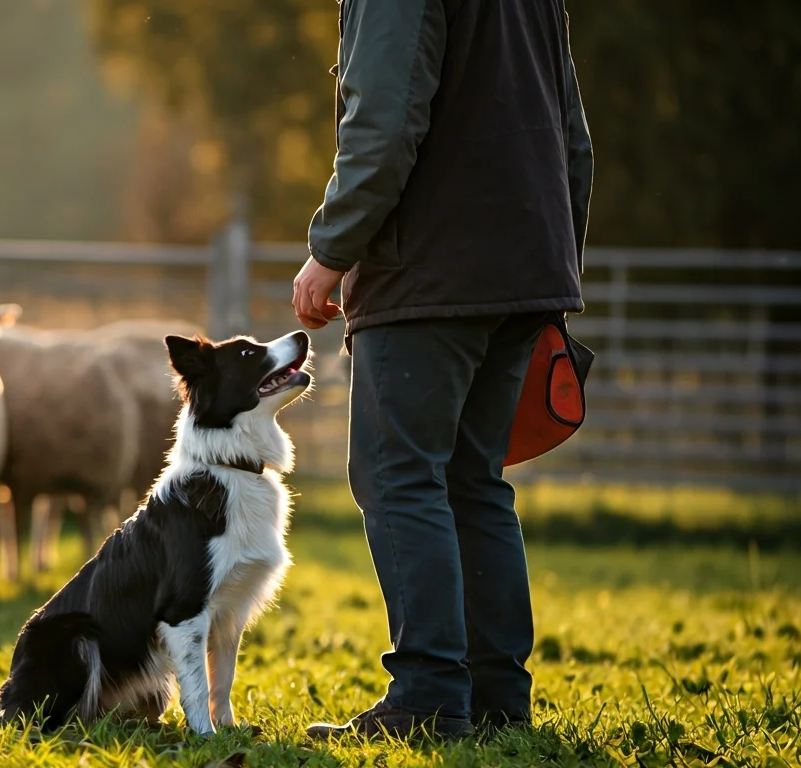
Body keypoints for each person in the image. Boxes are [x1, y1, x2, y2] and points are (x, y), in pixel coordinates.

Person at [291, 0, 594, 742]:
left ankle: (427, 697)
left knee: (400, 476)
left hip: (429, 269)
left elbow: (386, 121)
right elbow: (574, 138)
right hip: (525, 259)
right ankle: (495, 701)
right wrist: (552, 258)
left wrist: (331, 251)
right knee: (473, 480)